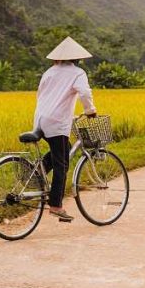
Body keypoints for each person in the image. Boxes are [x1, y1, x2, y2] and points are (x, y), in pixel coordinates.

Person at [33, 36, 97, 223]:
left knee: (62, 148)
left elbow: (41, 94)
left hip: (40, 118)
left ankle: (37, 174)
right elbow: (85, 92)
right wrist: (90, 110)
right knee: (62, 164)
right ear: (78, 59)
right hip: (57, 122)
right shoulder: (78, 73)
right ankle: (56, 206)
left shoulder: (49, 72)